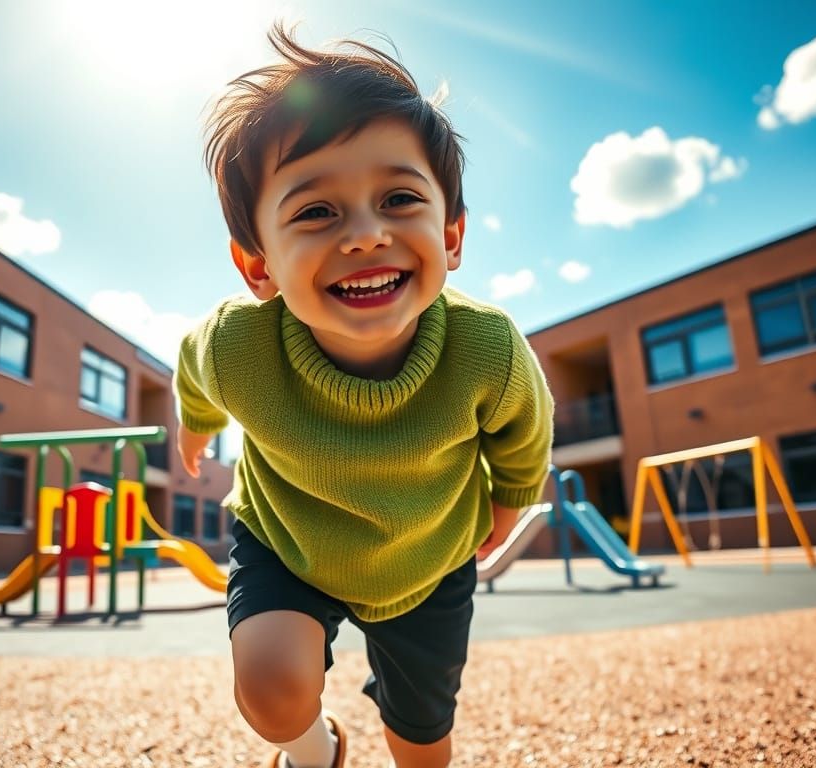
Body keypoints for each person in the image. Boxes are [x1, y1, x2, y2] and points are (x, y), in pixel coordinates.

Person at [175, 23, 553, 768]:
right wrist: (193, 430)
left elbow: (523, 434)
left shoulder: (487, 348)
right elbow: (194, 374)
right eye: (316, 211)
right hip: (289, 539)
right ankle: (316, 753)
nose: (364, 234)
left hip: (429, 556)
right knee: (269, 686)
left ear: (451, 236)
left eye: (399, 198)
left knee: (423, 747)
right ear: (257, 265)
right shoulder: (236, 344)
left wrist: (508, 502)